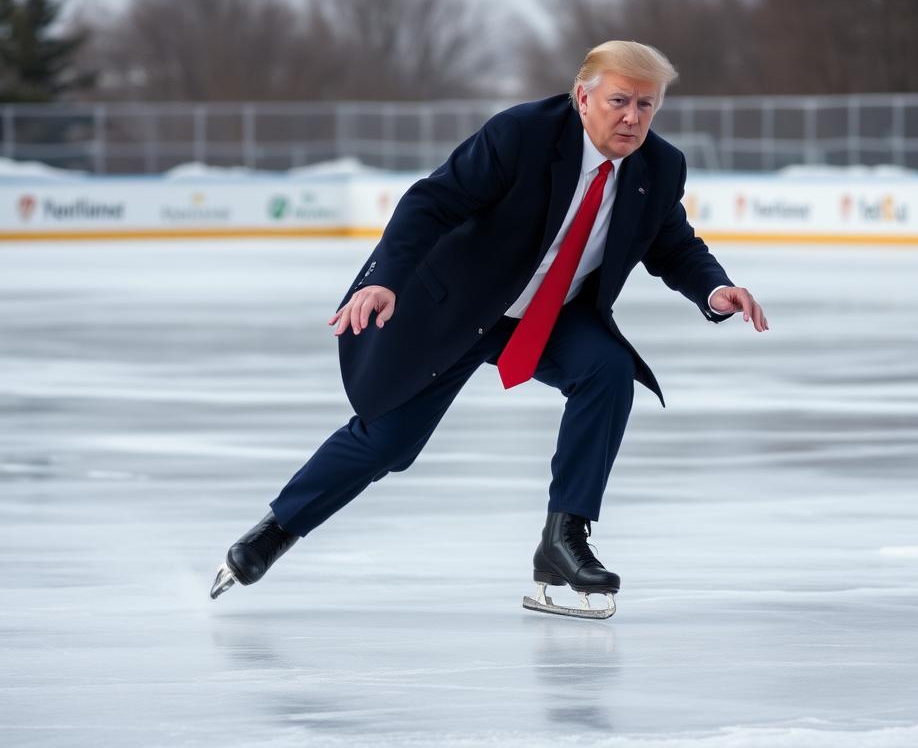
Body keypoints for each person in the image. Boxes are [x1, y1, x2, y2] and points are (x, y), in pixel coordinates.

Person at [210, 41, 767, 618]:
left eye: (647, 105)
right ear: (583, 97)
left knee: (607, 371)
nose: (633, 118)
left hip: (550, 316)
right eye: (620, 101)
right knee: (388, 442)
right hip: (456, 306)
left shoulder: (659, 166)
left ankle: (563, 538)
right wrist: (385, 281)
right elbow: (431, 203)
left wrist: (713, 289)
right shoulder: (522, 134)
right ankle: (277, 529)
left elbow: (672, 244)